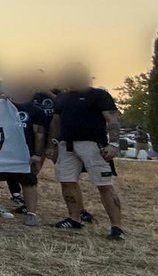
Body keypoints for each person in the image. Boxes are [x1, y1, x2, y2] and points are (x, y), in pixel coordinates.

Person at [47, 62, 126, 240]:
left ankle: (116, 227)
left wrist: (114, 144)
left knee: (104, 185)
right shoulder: (62, 98)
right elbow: (55, 122)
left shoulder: (99, 95)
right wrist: (52, 145)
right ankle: (74, 219)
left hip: (93, 146)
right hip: (66, 145)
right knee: (67, 181)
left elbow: (112, 120)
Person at [0, 76, 45, 226]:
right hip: (0, 151)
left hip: (24, 153)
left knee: (29, 182)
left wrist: (37, 154)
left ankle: (31, 213)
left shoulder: (35, 110)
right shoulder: (0, 105)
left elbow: (39, 134)